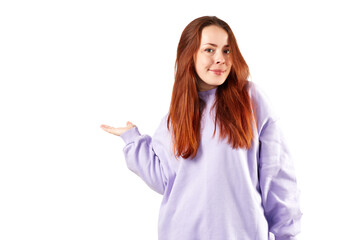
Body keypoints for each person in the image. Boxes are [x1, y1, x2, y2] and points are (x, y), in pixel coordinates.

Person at [100, 16, 302, 240]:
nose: (220, 59)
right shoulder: (175, 117)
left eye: (227, 51)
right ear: (190, 54)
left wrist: (287, 234)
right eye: (209, 50)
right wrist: (133, 140)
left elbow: (277, 174)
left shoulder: (251, 101)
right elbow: (166, 180)